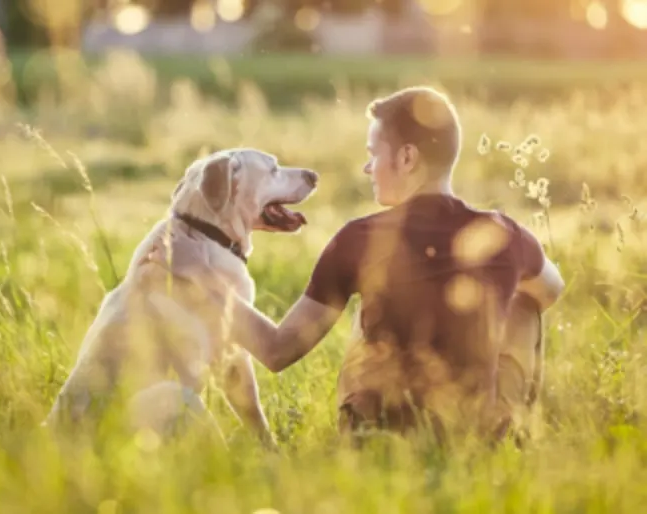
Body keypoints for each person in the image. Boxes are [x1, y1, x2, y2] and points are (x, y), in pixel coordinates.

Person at [145, 87, 565, 446]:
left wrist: (200, 282)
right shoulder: (505, 233)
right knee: (526, 305)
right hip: (474, 439)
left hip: (376, 441)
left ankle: (374, 420)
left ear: (406, 158)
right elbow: (551, 291)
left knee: (365, 313)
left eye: (372, 154)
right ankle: (514, 429)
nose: (367, 168)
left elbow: (276, 352)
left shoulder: (361, 238)